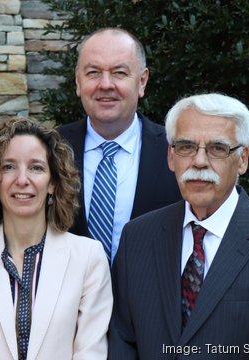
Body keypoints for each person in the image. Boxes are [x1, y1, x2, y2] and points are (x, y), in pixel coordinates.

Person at [109, 93, 249, 359]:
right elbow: (122, 341)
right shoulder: (137, 237)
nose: (199, 161)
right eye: (186, 147)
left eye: (217, 148)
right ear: (170, 156)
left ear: (243, 159)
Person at [0, 117, 113, 359]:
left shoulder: (88, 258)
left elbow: (90, 353)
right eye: (8, 167)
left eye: (36, 167)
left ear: (53, 182)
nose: (22, 180)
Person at [58, 28, 181, 263]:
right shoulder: (49, 149)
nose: (106, 84)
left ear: (142, 81)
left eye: (119, 73)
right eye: (93, 72)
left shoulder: (176, 151)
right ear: (78, 82)